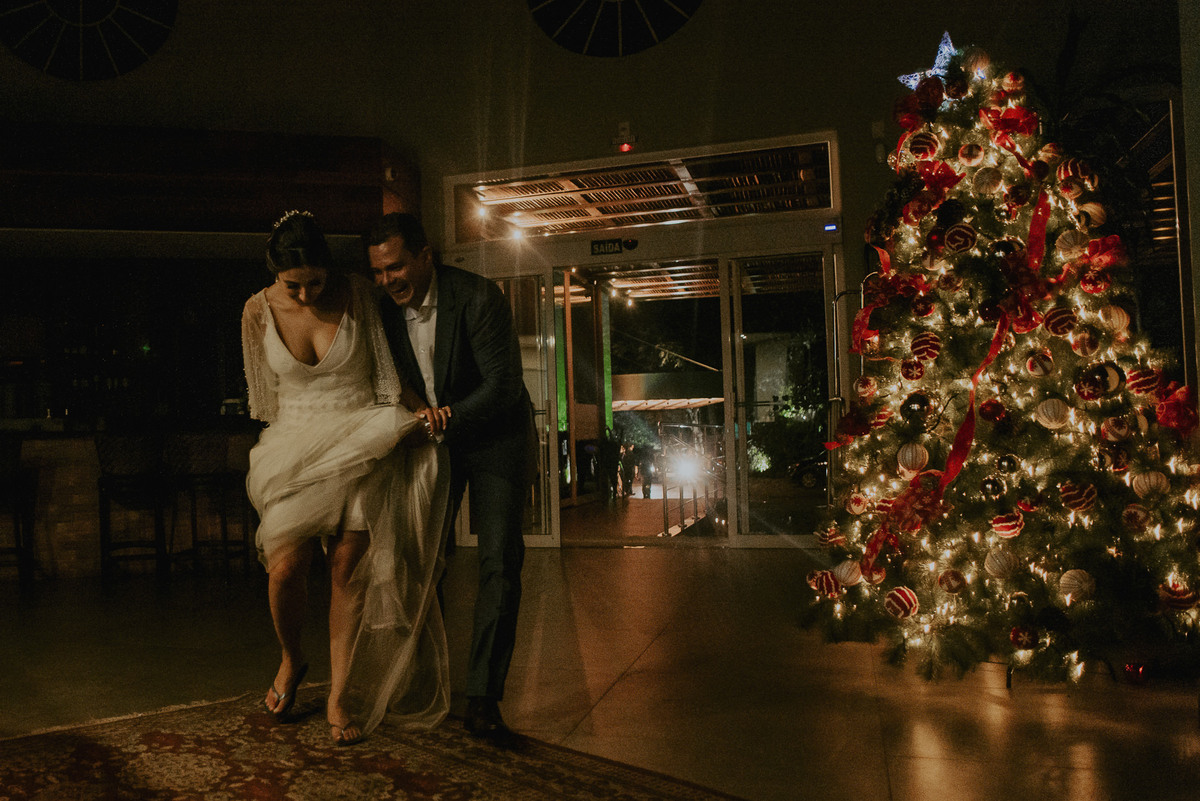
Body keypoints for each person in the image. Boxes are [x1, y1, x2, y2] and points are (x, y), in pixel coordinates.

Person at [242, 210, 451, 746]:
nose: (308, 295)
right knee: (286, 566)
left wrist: (419, 409)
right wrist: (295, 456)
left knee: (347, 567)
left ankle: (338, 694)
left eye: (316, 282)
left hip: (363, 432)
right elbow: (266, 403)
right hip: (297, 443)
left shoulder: (358, 292)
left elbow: (385, 375)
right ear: (273, 271)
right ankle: (293, 658)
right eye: (295, 285)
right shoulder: (255, 312)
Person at [366, 212, 535, 744]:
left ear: (425, 256)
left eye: (395, 267)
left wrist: (445, 419)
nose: (387, 280)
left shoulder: (479, 298)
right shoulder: (383, 314)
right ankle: (425, 682)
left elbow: (504, 387)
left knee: (498, 564)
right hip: (434, 442)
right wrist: (423, 418)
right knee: (422, 560)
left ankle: (484, 700)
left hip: (496, 438)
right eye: (377, 272)